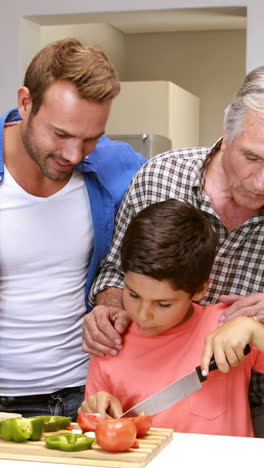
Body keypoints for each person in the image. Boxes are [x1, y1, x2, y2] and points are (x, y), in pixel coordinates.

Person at [84, 66, 264, 437]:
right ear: (226, 138)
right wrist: (117, 321)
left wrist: (251, 328)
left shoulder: (229, 323)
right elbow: (117, 273)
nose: (262, 182)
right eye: (252, 158)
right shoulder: (160, 177)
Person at [0, 37, 146, 420]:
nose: (73, 155)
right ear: (25, 102)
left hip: (85, 397)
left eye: (90, 139)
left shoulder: (119, 164)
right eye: (60, 134)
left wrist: (113, 301)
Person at [79, 199, 264, 437]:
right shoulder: (110, 339)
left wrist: (253, 329)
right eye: (133, 295)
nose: (143, 315)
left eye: (163, 304)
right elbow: (94, 429)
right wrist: (93, 412)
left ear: (199, 290)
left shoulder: (227, 326)